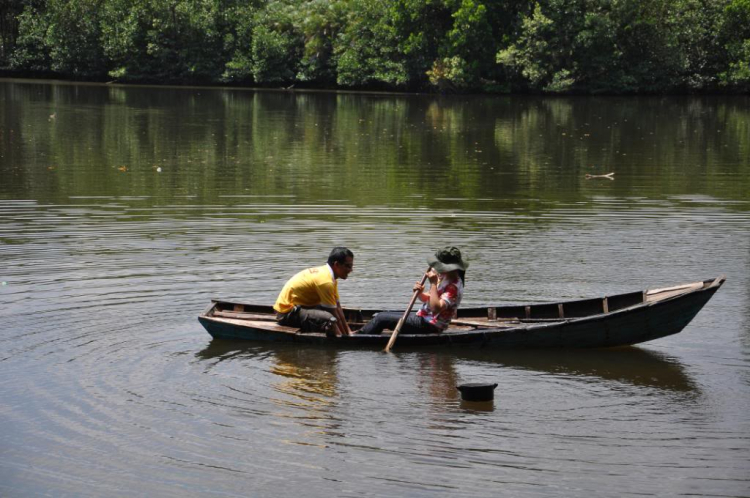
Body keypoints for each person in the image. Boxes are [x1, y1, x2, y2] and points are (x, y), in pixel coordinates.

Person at [359, 246, 467, 335]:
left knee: (381, 318)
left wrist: (433, 284)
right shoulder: (444, 276)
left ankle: (359, 338)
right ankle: (362, 333)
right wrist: (420, 293)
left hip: (430, 326)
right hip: (423, 317)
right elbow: (429, 299)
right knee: (381, 314)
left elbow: (436, 308)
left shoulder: (454, 287)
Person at [274, 247, 355, 337]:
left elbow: (338, 307)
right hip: (287, 314)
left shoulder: (330, 277)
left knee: (337, 311)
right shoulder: (326, 281)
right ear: (336, 265)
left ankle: (343, 335)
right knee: (330, 318)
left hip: (299, 306)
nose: (351, 270)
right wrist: (344, 338)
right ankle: (339, 341)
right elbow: (333, 313)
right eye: (348, 266)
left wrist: (349, 332)